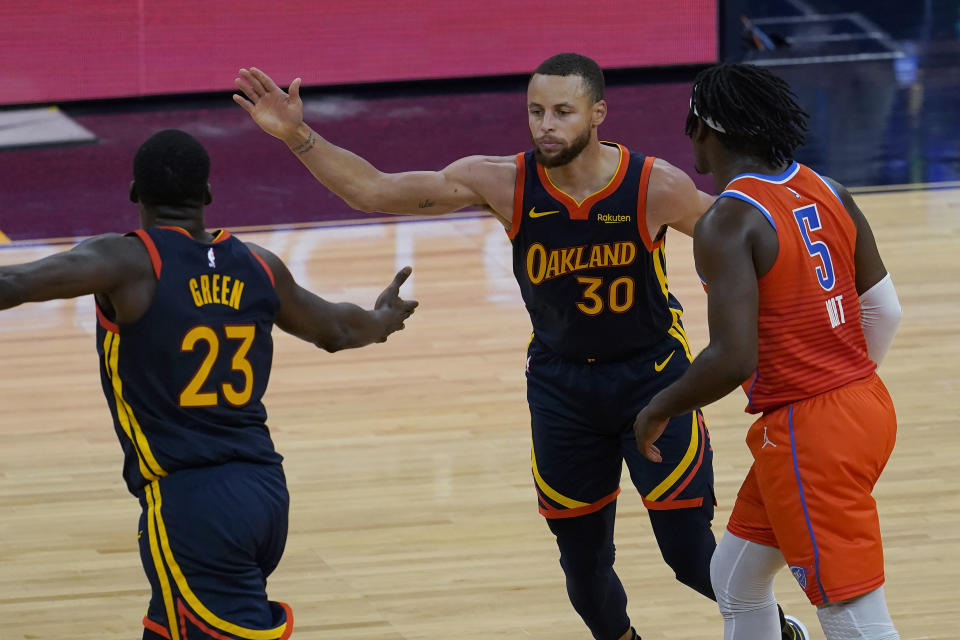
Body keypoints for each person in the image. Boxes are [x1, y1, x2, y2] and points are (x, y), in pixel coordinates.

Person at [233, 54, 807, 640]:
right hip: (563, 390)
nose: (545, 126)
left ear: (598, 113)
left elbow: (744, 246)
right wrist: (298, 135)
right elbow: (373, 190)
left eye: (562, 111)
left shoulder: (654, 185)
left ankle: (778, 629)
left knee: (689, 557)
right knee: (585, 576)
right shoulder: (502, 182)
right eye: (535, 112)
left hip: (653, 378)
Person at [0, 129, 418, 640]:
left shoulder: (127, 262)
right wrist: (385, 316)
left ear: (135, 192)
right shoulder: (260, 265)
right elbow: (338, 330)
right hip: (264, 490)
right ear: (208, 195)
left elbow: (12, 284)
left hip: (192, 502)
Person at [633, 63, 903, 640]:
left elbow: (733, 359)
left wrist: (660, 407)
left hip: (811, 431)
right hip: (864, 407)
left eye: (690, 124)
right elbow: (886, 311)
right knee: (735, 578)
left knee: (852, 616)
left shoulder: (727, 220)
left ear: (709, 129)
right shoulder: (829, 189)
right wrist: (843, 385)